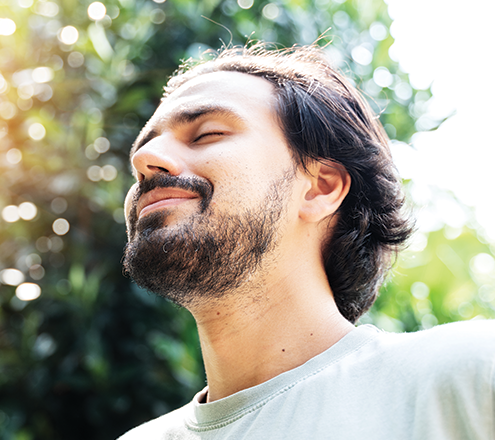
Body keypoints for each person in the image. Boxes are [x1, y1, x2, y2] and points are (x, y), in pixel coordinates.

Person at [118, 44, 495, 439]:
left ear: (320, 188)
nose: (146, 158)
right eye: (145, 145)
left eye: (207, 133)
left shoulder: (470, 377)